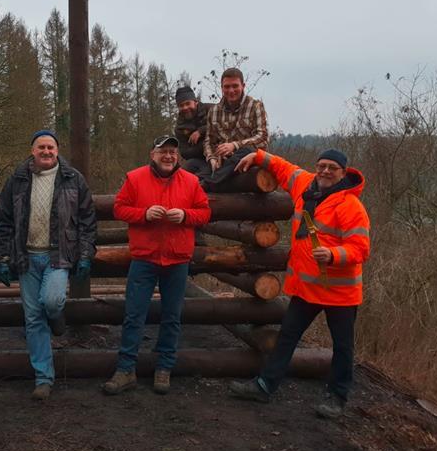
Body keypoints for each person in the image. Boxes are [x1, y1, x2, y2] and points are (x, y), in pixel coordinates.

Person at [227, 148, 370, 419]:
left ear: (342, 173)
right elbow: (282, 167)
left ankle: (337, 396)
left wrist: (333, 254)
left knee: (342, 346)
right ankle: (265, 385)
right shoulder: (305, 185)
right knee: (287, 337)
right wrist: (256, 156)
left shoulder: (350, 206)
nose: (325, 171)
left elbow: (360, 249)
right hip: (306, 288)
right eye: (322, 166)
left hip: (340, 292)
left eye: (332, 168)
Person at [103, 136, 211, 396]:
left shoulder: (191, 181)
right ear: (153, 154)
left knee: (172, 317)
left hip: (177, 259)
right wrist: (143, 214)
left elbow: (205, 213)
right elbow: (119, 208)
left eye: (173, 152)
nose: (169, 156)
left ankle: (164, 368)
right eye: (163, 151)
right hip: (145, 258)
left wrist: (186, 216)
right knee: (133, 315)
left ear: (178, 156)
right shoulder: (135, 178)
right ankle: (126, 369)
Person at [0, 130, 97, 400]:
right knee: (33, 319)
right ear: (32, 151)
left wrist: (85, 254)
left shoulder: (73, 179)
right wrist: (2, 257)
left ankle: (58, 318)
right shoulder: (17, 179)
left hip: (59, 255)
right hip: (25, 257)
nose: (46, 152)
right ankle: (43, 378)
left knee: (51, 301)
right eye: (41, 147)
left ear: (57, 150)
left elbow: (87, 221)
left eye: (51, 147)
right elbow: (3, 220)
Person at [202, 67, 268, 191]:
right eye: (226, 87)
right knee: (194, 167)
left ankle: (210, 183)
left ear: (243, 86)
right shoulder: (214, 111)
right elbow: (208, 141)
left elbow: (263, 139)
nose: (231, 90)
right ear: (222, 88)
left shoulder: (255, 106)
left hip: (247, 160)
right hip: (221, 163)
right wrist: (212, 158)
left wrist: (235, 145)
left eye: (235, 86)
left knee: (246, 151)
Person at [173, 85, 211, 177]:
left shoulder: (211, 109)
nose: (185, 107)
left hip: (221, 153)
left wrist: (200, 131)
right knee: (184, 171)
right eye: (181, 105)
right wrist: (204, 146)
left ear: (195, 102)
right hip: (200, 159)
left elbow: (222, 125)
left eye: (188, 103)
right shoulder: (179, 127)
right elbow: (185, 152)